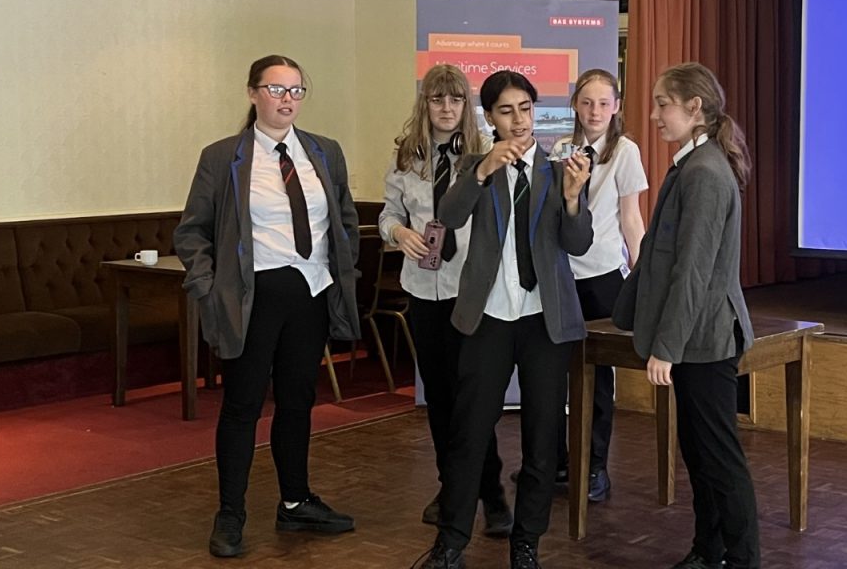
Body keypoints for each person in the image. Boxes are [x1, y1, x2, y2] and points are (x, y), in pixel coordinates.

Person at [174, 54, 360, 559]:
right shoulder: (223, 157)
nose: (287, 100)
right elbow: (191, 232)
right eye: (276, 89)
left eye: (296, 90)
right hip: (252, 298)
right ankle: (230, 513)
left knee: (298, 401)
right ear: (253, 93)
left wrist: (345, 271)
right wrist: (208, 288)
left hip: (310, 293)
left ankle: (295, 501)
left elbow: (343, 219)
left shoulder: (325, 151)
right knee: (243, 406)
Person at [421, 70, 593, 569]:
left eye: (525, 109)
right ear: (490, 118)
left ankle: (526, 543)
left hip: (544, 320)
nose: (518, 120)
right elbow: (449, 216)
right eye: (506, 111)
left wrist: (573, 199)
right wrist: (481, 171)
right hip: (489, 317)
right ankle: (451, 542)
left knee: (542, 438)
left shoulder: (559, 168)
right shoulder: (474, 165)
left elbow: (578, 243)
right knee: (469, 433)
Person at [612, 62, 760, 569]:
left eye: (663, 104)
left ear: (694, 108)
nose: (654, 115)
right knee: (699, 453)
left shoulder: (704, 172)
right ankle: (708, 550)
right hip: (696, 335)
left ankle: (742, 559)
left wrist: (666, 347)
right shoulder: (693, 164)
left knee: (719, 457)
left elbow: (693, 271)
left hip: (705, 338)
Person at [377, 64, 512, 536]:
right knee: (438, 398)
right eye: (438, 99)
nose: (447, 108)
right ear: (426, 104)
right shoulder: (406, 156)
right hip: (424, 290)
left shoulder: (484, 155)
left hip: (470, 294)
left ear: (466, 106)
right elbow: (389, 214)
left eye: (455, 99)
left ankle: (492, 494)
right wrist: (399, 233)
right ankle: (451, 486)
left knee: (472, 401)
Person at [549, 69, 647, 502]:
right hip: (562, 276)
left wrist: (642, 277)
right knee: (553, 373)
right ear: (574, 104)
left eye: (604, 104)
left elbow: (631, 217)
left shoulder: (625, 151)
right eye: (587, 102)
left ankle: (594, 468)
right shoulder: (560, 149)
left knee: (598, 378)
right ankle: (555, 462)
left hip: (604, 276)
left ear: (616, 107)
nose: (594, 112)